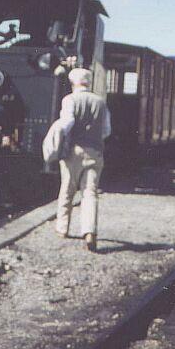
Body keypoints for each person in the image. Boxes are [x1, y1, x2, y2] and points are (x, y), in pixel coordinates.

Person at [56, 68, 111, 252]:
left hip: (74, 151)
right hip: (95, 152)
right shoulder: (101, 102)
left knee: (68, 189)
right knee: (90, 192)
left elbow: (67, 124)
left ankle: (63, 228)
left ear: (73, 84)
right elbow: (106, 131)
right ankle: (89, 232)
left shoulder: (69, 100)